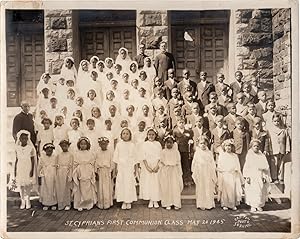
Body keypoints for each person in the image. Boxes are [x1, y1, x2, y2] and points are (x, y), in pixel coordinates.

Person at [113, 128, 138, 210]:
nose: (125, 135)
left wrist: (135, 169)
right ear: (121, 135)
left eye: (127, 133)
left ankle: (129, 201)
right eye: (124, 133)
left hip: (129, 167)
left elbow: (135, 158)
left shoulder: (132, 145)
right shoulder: (119, 145)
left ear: (130, 135)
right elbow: (116, 158)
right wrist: (116, 169)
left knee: (129, 183)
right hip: (121, 167)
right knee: (122, 184)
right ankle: (123, 201)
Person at [243, 139, 271, 212]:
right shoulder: (249, 155)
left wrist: (264, 176)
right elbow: (247, 166)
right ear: (251, 147)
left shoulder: (262, 156)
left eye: (257, 146)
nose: (256, 147)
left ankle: (259, 205)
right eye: (254, 146)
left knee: (260, 190)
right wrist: (247, 176)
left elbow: (265, 167)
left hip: (260, 174)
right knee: (252, 190)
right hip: (252, 175)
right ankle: (253, 205)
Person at [217, 139, 243, 211]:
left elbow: (237, 165)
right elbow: (220, 166)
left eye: (229, 146)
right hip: (225, 174)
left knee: (233, 189)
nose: (228, 147)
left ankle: (232, 204)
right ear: (224, 147)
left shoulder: (234, 156)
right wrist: (222, 172)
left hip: (233, 174)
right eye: (226, 146)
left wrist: (236, 170)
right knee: (225, 190)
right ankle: (225, 204)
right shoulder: (222, 155)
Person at [192, 136, 217, 210]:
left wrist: (213, 170)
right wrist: (195, 171)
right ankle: (201, 204)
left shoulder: (209, 153)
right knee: (201, 187)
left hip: (208, 172)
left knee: (208, 186)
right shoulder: (197, 153)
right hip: (200, 172)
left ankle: (209, 204)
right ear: (198, 144)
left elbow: (212, 162)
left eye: (204, 143)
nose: (203, 145)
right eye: (201, 143)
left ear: (207, 144)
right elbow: (194, 163)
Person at [139, 127, 162, 209]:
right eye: (149, 134)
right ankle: (150, 200)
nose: (151, 136)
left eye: (153, 135)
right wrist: (147, 167)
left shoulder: (158, 144)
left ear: (155, 135)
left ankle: (155, 200)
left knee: (156, 183)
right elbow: (143, 157)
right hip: (147, 166)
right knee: (148, 183)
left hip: (156, 166)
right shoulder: (144, 144)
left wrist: (157, 166)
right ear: (147, 135)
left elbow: (160, 156)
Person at [14, 130, 37, 209]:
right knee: (21, 185)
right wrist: (14, 170)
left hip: (28, 167)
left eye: (25, 139)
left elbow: (33, 160)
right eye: (22, 139)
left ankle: (28, 200)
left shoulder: (30, 148)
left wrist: (32, 170)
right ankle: (22, 201)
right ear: (19, 139)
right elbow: (16, 160)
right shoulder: (17, 148)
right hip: (20, 167)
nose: (24, 140)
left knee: (27, 185)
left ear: (28, 139)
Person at [73, 137, 97, 211]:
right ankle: (80, 204)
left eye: (84, 144)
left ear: (87, 145)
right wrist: (76, 172)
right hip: (80, 171)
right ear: (79, 145)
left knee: (88, 187)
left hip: (88, 170)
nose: (83, 145)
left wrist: (91, 171)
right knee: (80, 187)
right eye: (81, 144)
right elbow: (75, 163)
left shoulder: (90, 153)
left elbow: (92, 162)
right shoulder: (76, 153)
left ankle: (88, 203)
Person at [159, 135, 183, 210]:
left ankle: (176, 203)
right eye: (167, 143)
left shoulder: (176, 152)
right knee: (167, 187)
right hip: (166, 171)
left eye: (170, 143)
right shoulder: (163, 152)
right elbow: (161, 161)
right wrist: (163, 168)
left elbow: (178, 162)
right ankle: (167, 203)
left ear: (173, 143)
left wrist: (179, 172)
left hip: (174, 171)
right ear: (165, 143)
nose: (169, 144)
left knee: (174, 186)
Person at [95, 137, 114, 209]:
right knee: (100, 187)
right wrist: (96, 173)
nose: (103, 145)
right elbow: (96, 163)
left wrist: (111, 172)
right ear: (99, 145)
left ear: (107, 144)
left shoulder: (110, 152)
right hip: (100, 171)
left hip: (107, 171)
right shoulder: (97, 152)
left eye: (105, 144)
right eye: (101, 144)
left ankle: (107, 203)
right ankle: (101, 203)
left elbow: (112, 163)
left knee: (107, 187)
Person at [38, 143, 57, 210]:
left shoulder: (55, 157)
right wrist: (39, 175)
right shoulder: (42, 158)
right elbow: (39, 167)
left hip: (53, 174)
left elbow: (57, 166)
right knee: (45, 188)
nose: (49, 151)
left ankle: (53, 203)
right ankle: (46, 203)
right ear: (45, 150)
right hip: (45, 175)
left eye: (51, 150)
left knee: (53, 188)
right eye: (48, 150)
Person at [55, 140, 73, 211]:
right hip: (60, 173)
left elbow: (71, 165)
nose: (64, 147)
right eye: (62, 146)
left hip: (67, 172)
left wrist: (70, 175)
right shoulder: (59, 155)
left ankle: (67, 204)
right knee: (60, 188)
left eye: (65, 146)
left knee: (66, 189)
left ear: (68, 146)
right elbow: (56, 165)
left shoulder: (70, 155)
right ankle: (61, 204)